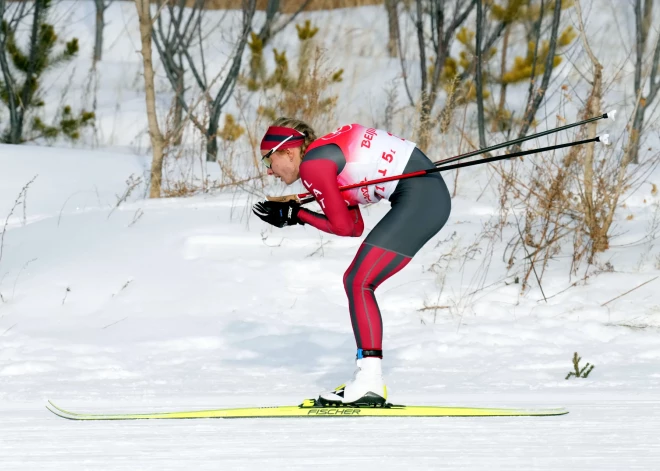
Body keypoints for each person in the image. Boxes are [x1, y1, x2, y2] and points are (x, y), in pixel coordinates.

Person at [252, 117, 451, 407]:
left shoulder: (313, 166)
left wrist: (297, 215)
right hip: (425, 196)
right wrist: (297, 214)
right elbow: (354, 226)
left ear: (288, 151)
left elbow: (344, 229)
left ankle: (369, 382)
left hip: (421, 199)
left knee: (358, 281)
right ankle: (368, 379)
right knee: (358, 280)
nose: (269, 171)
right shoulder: (324, 156)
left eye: (268, 160)